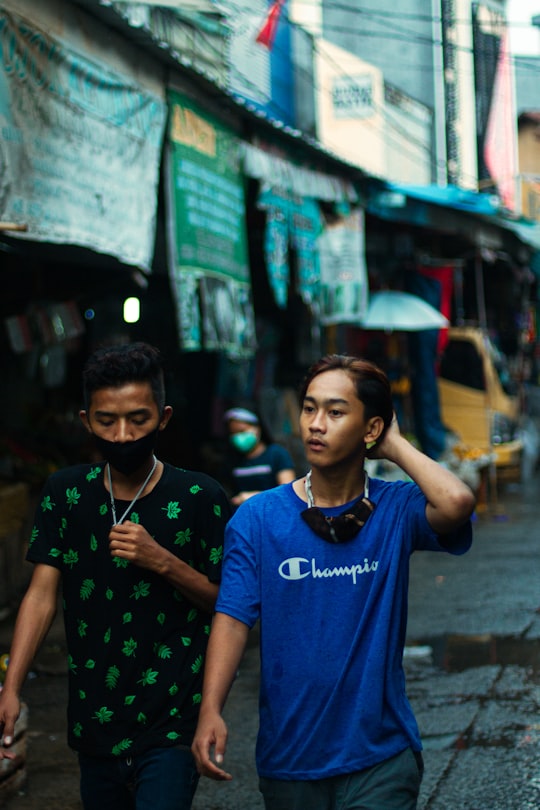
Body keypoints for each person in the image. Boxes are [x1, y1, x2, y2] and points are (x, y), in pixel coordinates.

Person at [192, 354, 476, 810]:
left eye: (335, 412)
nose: (315, 424)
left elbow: (458, 501)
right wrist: (211, 709)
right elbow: (232, 616)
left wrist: (395, 446)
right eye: (309, 408)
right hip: (291, 758)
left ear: (371, 428)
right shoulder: (257, 518)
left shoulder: (396, 509)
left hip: (381, 756)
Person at [0, 342, 231, 810]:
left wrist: (161, 560)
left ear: (163, 418)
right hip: (94, 721)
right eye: (107, 421)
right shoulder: (65, 493)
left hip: (171, 719)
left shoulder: (199, 497)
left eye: (138, 420)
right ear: (86, 421)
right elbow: (41, 597)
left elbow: (230, 606)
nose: (123, 435)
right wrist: (12, 689)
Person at [222, 404, 296, 506]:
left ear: (257, 429)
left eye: (242, 431)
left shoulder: (276, 454)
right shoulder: (231, 460)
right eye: (233, 433)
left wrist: (254, 497)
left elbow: (288, 493)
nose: (238, 436)